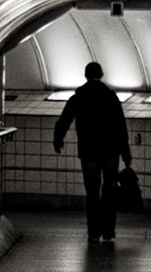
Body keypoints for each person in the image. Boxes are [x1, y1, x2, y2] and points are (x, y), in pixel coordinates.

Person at [52, 62, 131, 242]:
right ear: (101, 75)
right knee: (109, 190)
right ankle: (109, 231)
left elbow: (65, 119)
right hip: (110, 151)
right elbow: (120, 126)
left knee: (92, 192)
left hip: (88, 151)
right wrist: (125, 153)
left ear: (85, 75)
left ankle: (94, 232)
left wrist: (58, 138)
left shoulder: (79, 96)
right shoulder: (110, 96)